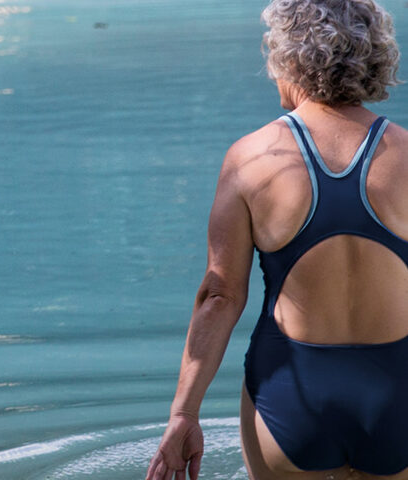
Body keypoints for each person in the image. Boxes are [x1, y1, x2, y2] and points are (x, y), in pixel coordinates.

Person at [145, 0, 407, 479]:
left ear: (290, 58)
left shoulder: (251, 158)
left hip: (291, 394)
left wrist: (183, 414)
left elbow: (219, 296)